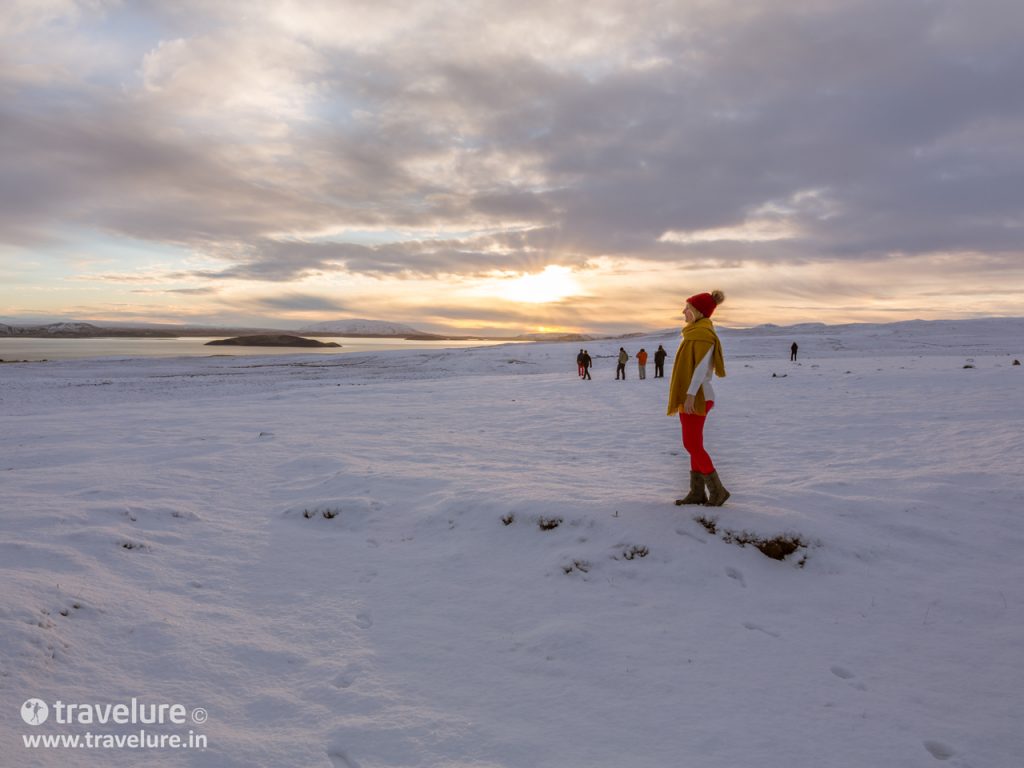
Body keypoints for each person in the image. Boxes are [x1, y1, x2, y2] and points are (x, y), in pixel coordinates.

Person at [667, 290, 730, 506]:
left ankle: (718, 491)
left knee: (692, 444)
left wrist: (691, 395)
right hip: (692, 394)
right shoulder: (693, 333)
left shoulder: (703, 335)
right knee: (694, 444)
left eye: (687, 308)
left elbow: (701, 369)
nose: (683, 311)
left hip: (698, 395)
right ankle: (696, 493)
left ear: (697, 312)